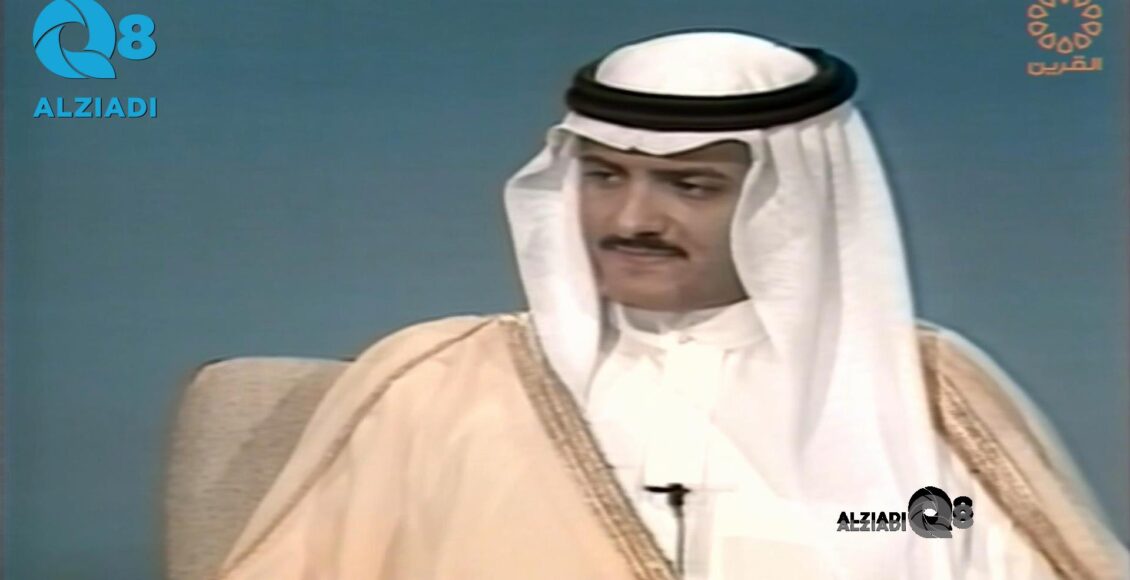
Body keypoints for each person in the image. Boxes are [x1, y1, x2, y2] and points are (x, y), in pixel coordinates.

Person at [215, 30, 1126, 579]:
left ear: (789, 204)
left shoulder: (922, 397)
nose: (631, 220)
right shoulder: (435, 384)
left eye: (691, 186)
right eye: (605, 176)